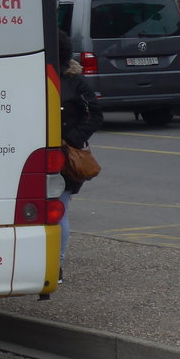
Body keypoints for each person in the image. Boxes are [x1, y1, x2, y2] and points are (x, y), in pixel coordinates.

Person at [59, 29, 102, 284]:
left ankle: (57, 264)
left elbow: (95, 115)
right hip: (35, 152)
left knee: (59, 211)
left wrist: (71, 140)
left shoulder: (76, 81)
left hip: (63, 157)